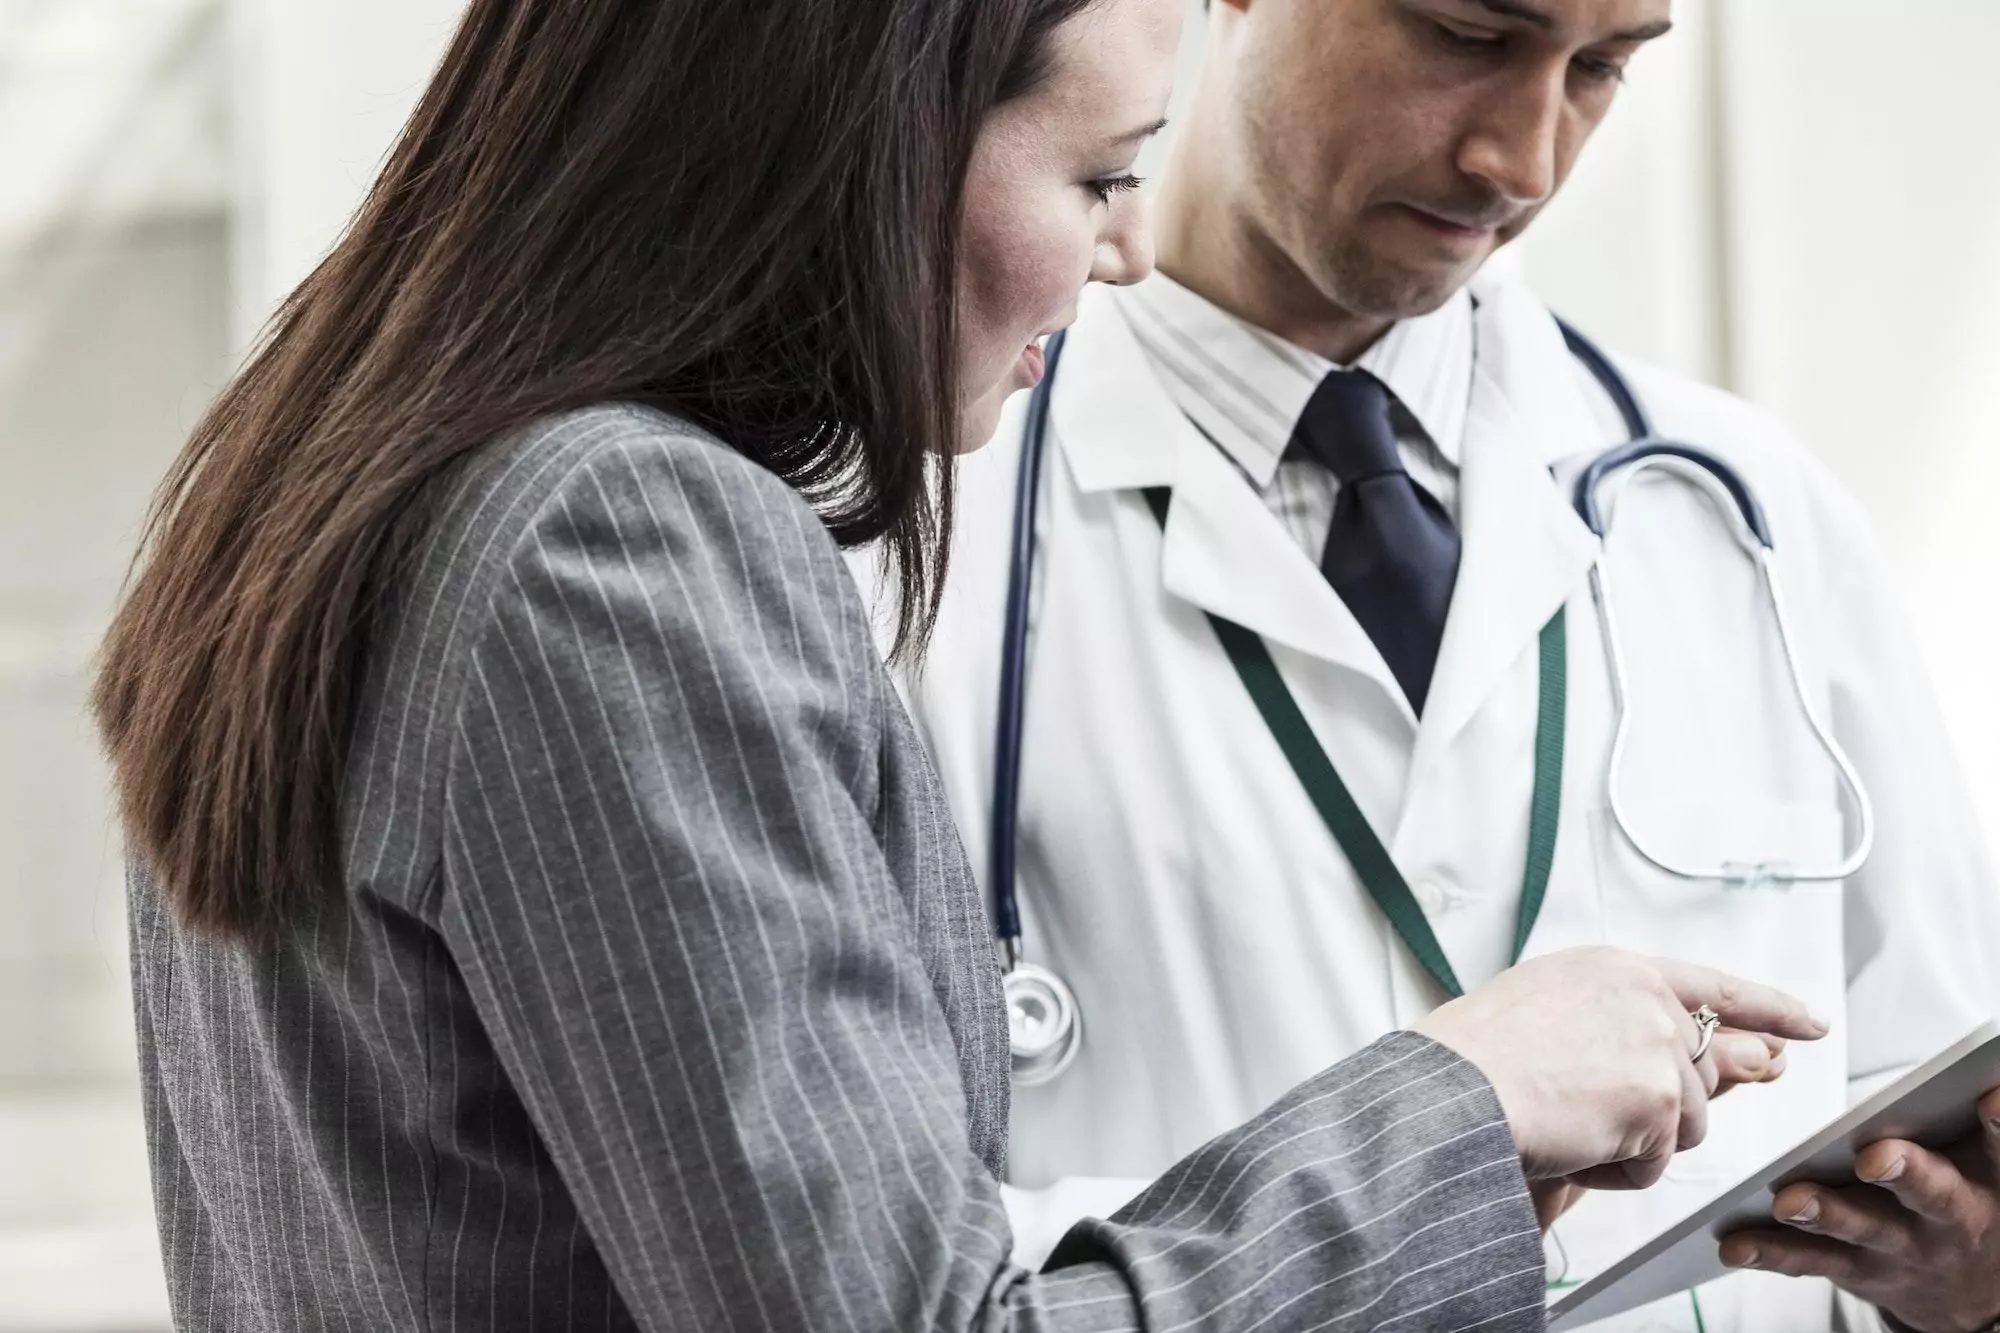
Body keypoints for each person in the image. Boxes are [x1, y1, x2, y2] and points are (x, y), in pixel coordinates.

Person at [92, 0, 1821, 1328]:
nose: (1128, 249)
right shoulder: (612, 537)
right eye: (1099, 175)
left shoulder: (347, 493)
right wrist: (1462, 1100)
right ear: (865, 133)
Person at [879, 0, 2000, 1329]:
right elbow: (858, 1259)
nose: (1522, 163)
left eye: (1600, 70)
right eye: (1468, 38)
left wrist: (1968, 1291)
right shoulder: (908, 538)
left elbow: (1935, 1108)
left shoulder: (1754, 514)